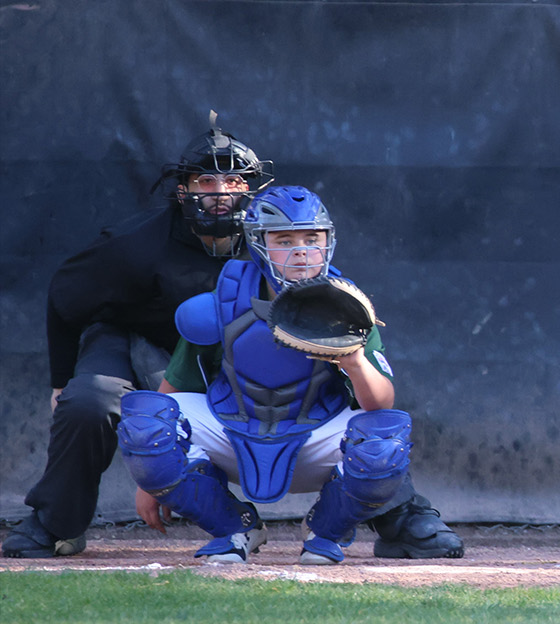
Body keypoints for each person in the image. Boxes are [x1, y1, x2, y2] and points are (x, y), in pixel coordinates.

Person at [4, 123, 463, 561]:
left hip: (227, 360)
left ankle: (397, 513)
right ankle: (56, 521)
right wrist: (61, 379)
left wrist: (354, 352)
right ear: (183, 188)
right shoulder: (136, 244)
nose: (221, 193)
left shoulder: (283, 246)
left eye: (234, 181)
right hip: (140, 340)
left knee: (357, 417)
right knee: (93, 400)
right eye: (207, 180)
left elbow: (373, 395)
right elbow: (65, 296)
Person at [116, 185, 409, 564]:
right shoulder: (224, 303)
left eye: (311, 238)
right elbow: (175, 387)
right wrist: (152, 475)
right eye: (284, 240)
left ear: (328, 241)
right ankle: (234, 528)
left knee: (384, 443)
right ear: (258, 244)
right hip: (234, 426)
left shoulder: (346, 303)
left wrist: (354, 360)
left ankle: (325, 530)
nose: (301, 250)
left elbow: (381, 403)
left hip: (313, 435)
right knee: (146, 423)